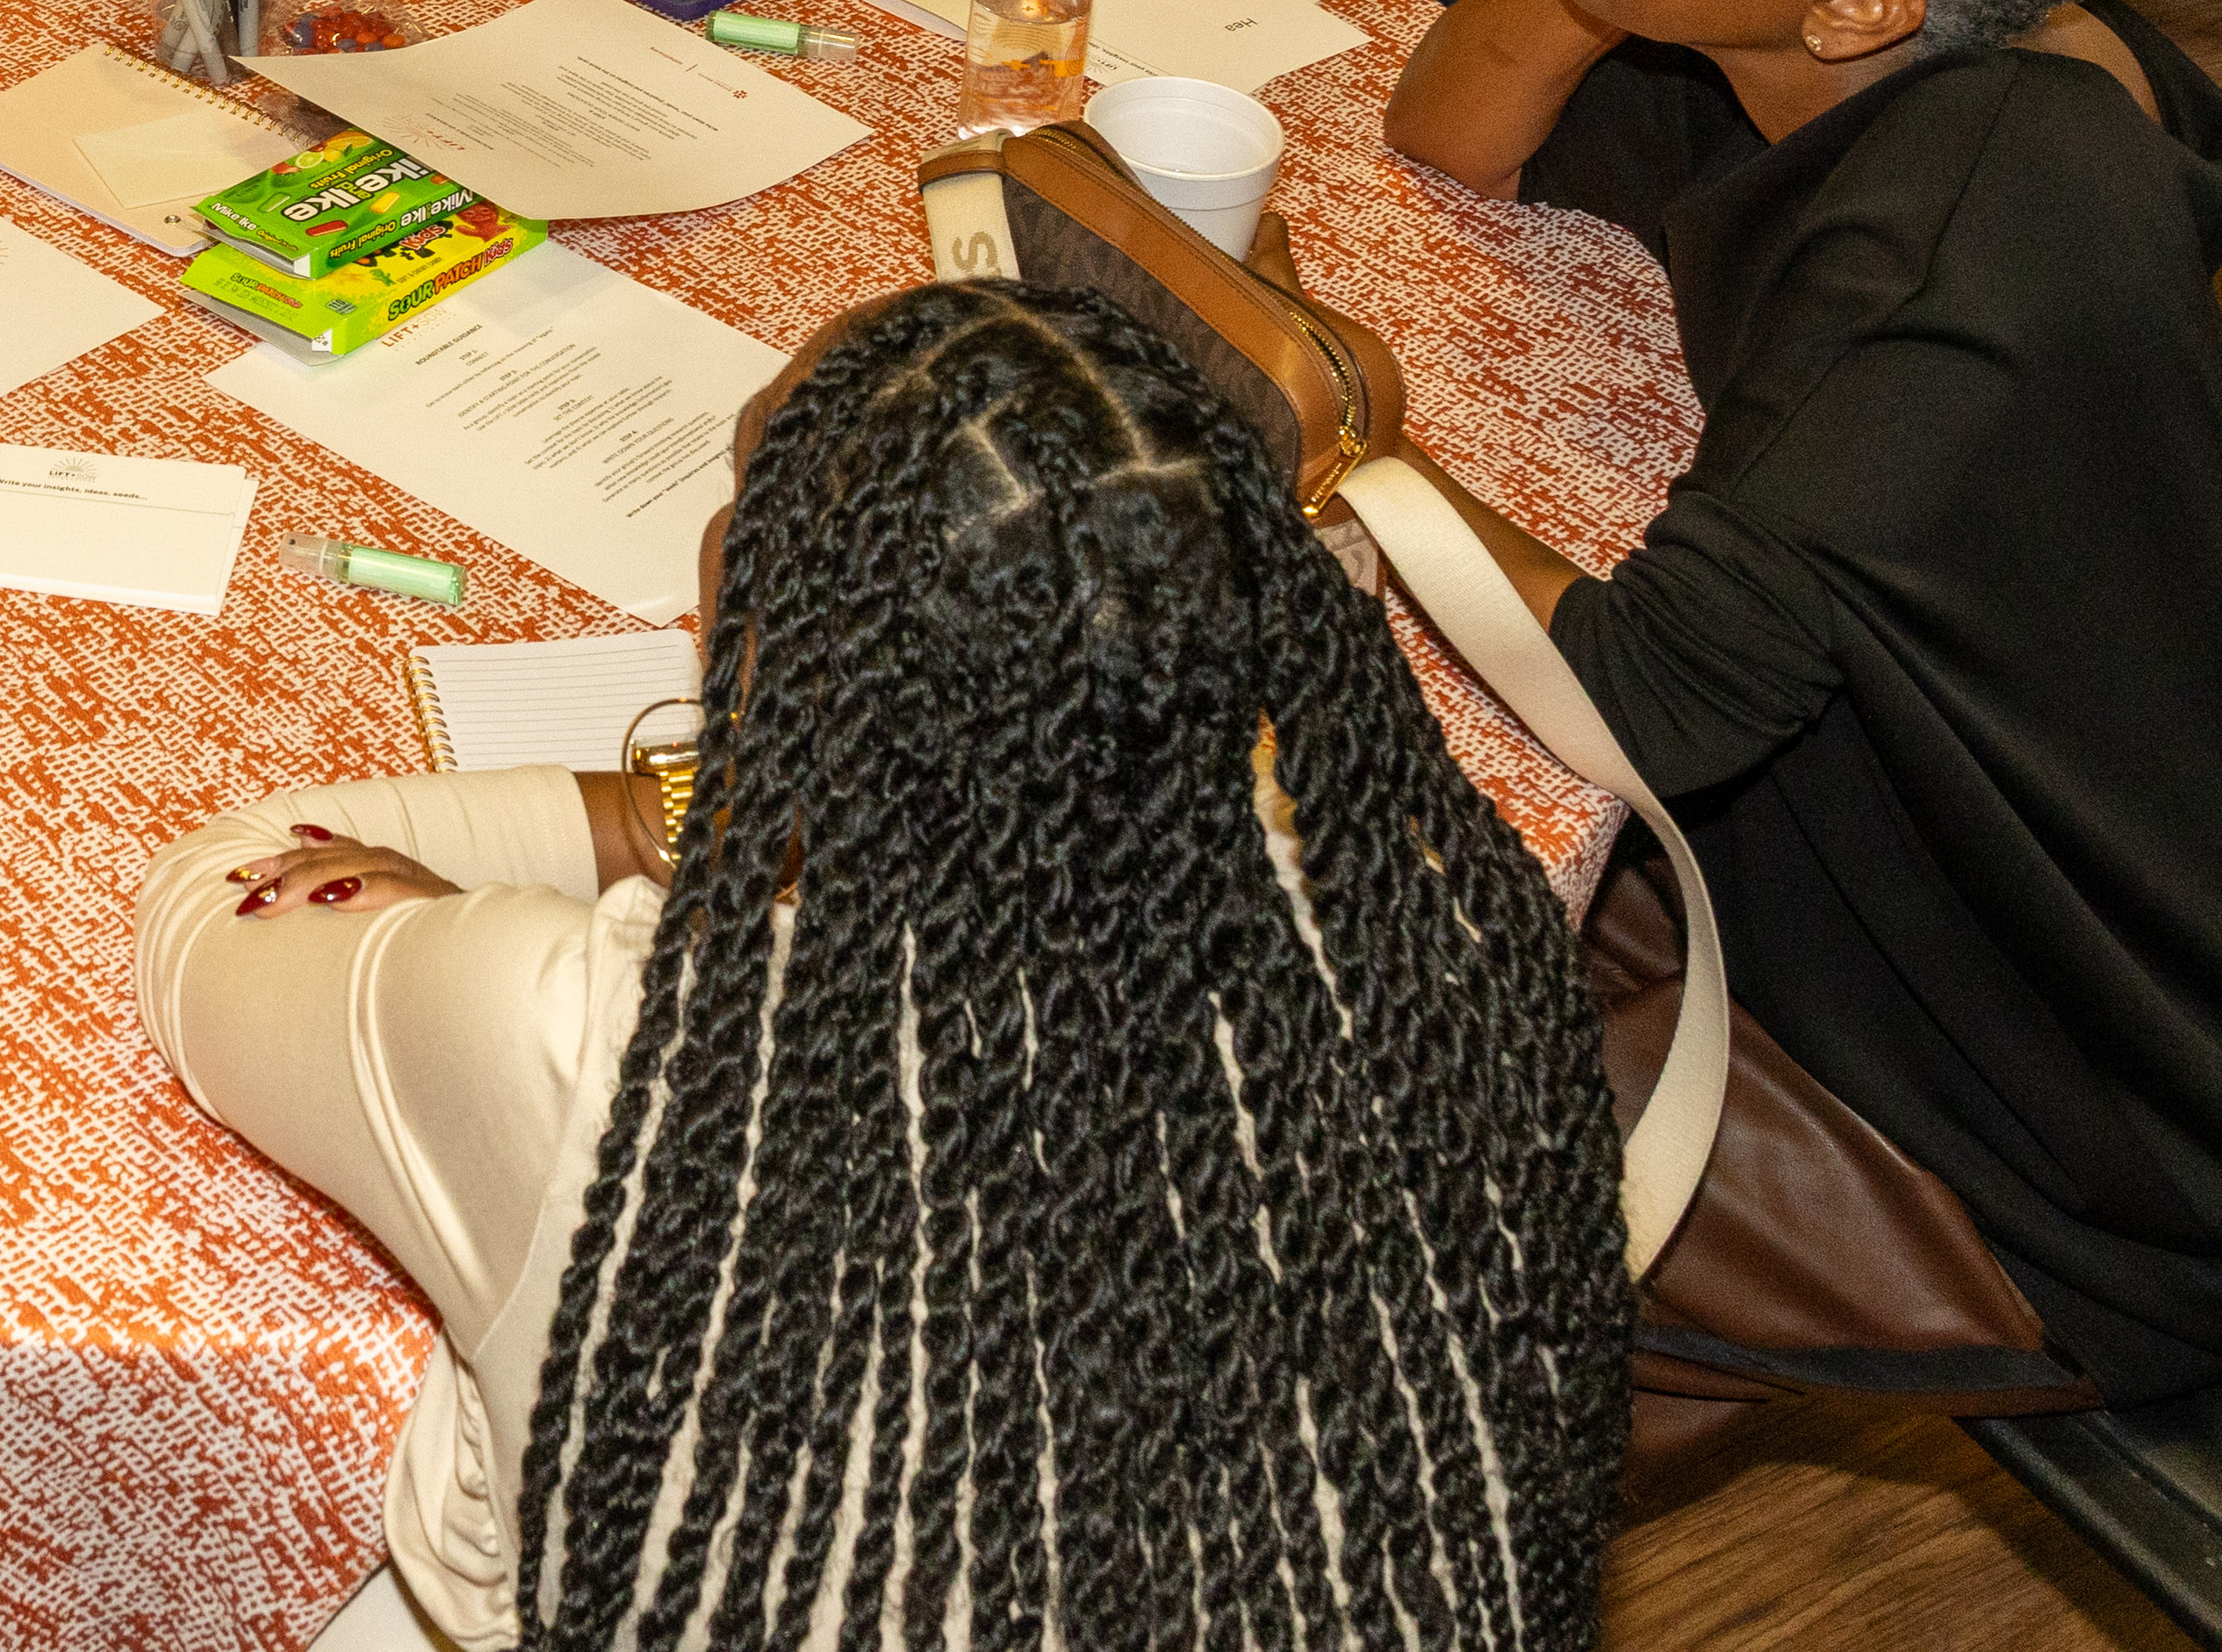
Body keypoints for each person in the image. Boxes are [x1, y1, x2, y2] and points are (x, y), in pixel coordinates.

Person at [137, 278, 1627, 1648]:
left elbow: (219, 897)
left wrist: (683, 812)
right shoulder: (1445, 946)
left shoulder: (600, 1033)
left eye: (750, 501)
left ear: (754, 631)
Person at [1383, 0, 2222, 1413]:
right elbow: (1448, 128)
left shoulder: (1951, 258)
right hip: (1862, 867)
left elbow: (1641, 696)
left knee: (1295, 1152)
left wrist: (1334, 428)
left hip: (2069, 1145)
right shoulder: (1845, 43)